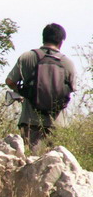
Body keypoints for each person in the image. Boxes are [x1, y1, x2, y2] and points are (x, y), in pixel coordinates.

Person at [5, 23, 76, 153]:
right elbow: (71, 89)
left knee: (32, 160)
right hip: (57, 123)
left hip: (30, 120)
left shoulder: (27, 57)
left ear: (43, 38)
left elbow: (10, 81)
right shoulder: (67, 63)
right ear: (61, 41)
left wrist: (21, 92)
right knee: (55, 162)